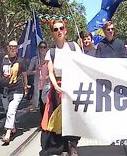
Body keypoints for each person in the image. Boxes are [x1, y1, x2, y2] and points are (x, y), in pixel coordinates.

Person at [40, 20, 82, 156]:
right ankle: (63, 147)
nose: (58, 31)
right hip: (58, 86)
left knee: (74, 116)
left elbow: (82, 65)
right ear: (52, 33)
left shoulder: (74, 46)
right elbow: (50, 72)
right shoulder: (51, 52)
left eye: (61, 28)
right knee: (60, 119)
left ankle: (73, 145)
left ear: (65, 30)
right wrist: (56, 86)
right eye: (55, 29)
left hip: (73, 85)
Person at [0, 40, 28, 145]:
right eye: (11, 46)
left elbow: (24, 75)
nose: (13, 48)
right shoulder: (2, 60)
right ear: (8, 47)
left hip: (17, 89)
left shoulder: (20, 61)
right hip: (4, 90)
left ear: (17, 49)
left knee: (11, 110)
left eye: (15, 47)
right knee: (8, 110)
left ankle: (7, 133)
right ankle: (13, 129)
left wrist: (25, 87)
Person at [27, 41, 49, 115]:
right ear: (38, 49)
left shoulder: (50, 60)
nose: (42, 49)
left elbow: (54, 72)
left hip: (48, 85)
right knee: (42, 105)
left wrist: (47, 77)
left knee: (47, 105)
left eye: (44, 47)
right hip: (38, 86)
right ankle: (44, 122)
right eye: (41, 47)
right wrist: (36, 71)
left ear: (47, 49)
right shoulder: (35, 59)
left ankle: (48, 122)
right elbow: (28, 72)